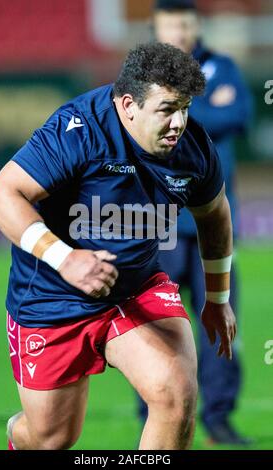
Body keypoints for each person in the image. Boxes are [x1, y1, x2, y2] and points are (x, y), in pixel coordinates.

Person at [0, 42, 237, 451]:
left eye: (185, 107)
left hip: (137, 290)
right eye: (167, 108)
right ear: (127, 105)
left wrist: (218, 298)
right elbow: (0, 195)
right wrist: (65, 259)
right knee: (51, 438)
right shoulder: (78, 130)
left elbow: (215, 214)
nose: (179, 122)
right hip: (53, 298)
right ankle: (21, 434)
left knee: (176, 393)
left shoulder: (192, 148)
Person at [137, 0, 252, 445]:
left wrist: (172, 109)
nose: (179, 32)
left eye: (185, 24)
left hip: (214, 225)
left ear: (196, 26)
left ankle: (219, 416)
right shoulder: (144, 72)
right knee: (152, 325)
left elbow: (239, 115)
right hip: (161, 221)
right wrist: (206, 108)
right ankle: (151, 410)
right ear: (157, 29)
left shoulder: (223, 66)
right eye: (171, 25)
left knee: (221, 322)